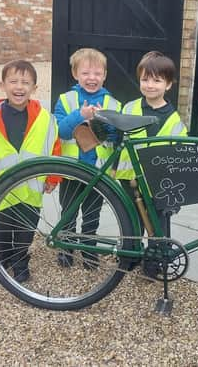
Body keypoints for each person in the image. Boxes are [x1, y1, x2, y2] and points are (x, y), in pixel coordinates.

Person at [0, 60, 61, 283]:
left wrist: (53, 177)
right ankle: (0, 262)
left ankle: (21, 262)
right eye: (13, 81)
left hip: (31, 189)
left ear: (34, 88)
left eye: (25, 82)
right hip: (1, 189)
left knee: (24, 231)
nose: (19, 87)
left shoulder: (45, 119)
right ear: (2, 85)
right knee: (0, 230)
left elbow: (54, 149)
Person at [115, 51, 188, 278]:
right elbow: (119, 140)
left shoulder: (175, 120)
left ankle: (154, 263)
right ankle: (128, 257)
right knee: (130, 221)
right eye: (145, 79)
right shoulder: (129, 108)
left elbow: (179, 157)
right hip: (129, 178)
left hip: (159, 183)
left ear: (168, 85)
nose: (150, 85)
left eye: (157, 80)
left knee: (159, 225)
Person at [54, 48, 121, 269]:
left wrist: (103, 122)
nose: (91, 78)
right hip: (72, 171)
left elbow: (115, 138)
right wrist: (79, 116)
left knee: (92, 215)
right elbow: (61, 132)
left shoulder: (113, 104)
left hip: (98, 172)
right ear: (75, 74)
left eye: (97, 73)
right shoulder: (66, 100)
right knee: (69, 212)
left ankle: (89, 251)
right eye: (85, 73)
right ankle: (66, 249)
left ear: (105, 75)